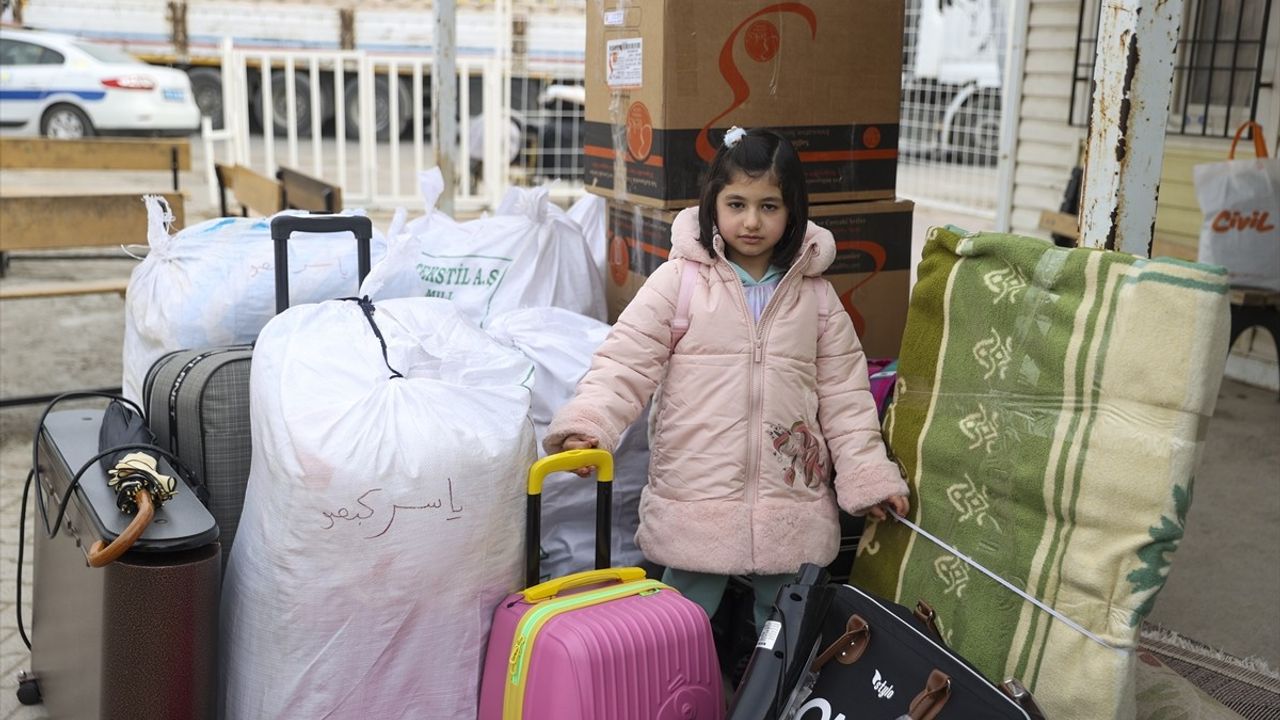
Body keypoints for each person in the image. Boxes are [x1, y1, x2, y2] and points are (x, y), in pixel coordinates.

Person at [544, 126, 910, 631]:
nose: (752, 221)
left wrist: (869, 478)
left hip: (790, 499)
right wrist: (590, 424)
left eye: (769, 206)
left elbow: (847, 401)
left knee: (783, 621)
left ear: (794, 211)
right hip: (697, 491)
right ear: (712, 204)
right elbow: (625, 362)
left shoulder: (817, 300)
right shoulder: (680, 282)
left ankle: (769, 702)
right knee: (679, 618)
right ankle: (670, 700)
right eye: (736, 204)